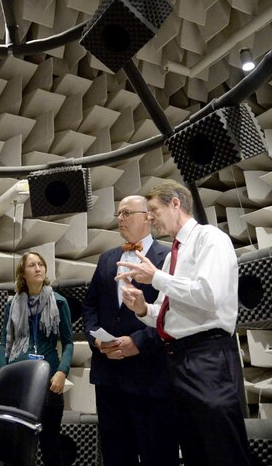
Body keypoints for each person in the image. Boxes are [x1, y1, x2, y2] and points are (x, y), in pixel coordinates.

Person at [117, 179, 250, 466]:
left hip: (208, 358)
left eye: (154, 210)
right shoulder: (171, 257)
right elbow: (169, 314)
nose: (150, 218)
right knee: (195, 452)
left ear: (175, 203)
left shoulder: (209, 238)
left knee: (223, 451)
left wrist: (156, 278)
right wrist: (143, 309)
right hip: (178, 361)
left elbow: (208, 295)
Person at [82, 195, 181, 466]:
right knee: (116, 455)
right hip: (108, 378)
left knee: (157, 454)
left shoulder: (168, 256)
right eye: (118, 214)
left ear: (147, 216)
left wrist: (138, 341)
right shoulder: (106, 258)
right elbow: (90, 307)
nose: (120, 219)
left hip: (150, 375)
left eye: (127, 213)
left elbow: (173, 312)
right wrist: (97, 342)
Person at [0, 252, 73, 466]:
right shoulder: (11, 305)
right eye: (32, 265)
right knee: (17, 445)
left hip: (50, 381)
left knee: (50, 445)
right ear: (23, 273)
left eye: (41, 264)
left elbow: (68, 342)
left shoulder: (59, 303)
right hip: (18, 382)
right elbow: (4, 342)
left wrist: (62, 371)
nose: (38, 268)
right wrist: (3, 375)